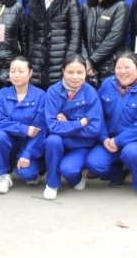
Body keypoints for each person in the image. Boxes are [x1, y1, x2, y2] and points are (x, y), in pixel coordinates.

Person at [85, 52, 137, 199]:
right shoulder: (108, 84)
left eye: (127, 67)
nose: (123, 71)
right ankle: (118, 172)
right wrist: (104, 138)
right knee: (94, 163)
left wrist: (118, 141)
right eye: (119, 67)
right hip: (111, 140)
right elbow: (97, 115)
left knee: (132, 152)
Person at [42, 54, 104, 200]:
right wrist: (79, 123)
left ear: (85, 73)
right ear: (63, 71)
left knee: (69, 170)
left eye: (80, 72)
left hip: (81, 144)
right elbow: (52, 126)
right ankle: (52, 183)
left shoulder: (90, 93)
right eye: (70, 72)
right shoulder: (53, 91)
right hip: (60, 141)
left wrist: (66, 124)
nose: (75, 77)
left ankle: (77, 177)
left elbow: (94, 128)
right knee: (52, 140)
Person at [0, 57, 47, 194]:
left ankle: (34, 168)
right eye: (13, 71)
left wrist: (28, 154)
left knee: (27, 174)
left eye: (21, 71)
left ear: (30, 73)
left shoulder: (41, 96)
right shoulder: (1, 95)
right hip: (10, 142)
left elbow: (41, 129)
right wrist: (24, 129)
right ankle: (3, 175)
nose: (16, 75)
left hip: (30, 144)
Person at [27, 0, 82, 89]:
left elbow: (75, 34)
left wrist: (69, 61)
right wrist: (31, 57)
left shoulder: (70, 0)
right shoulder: (35, 0)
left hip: (60, 58)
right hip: (37, 60)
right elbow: (31, 33)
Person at [81, 0, 129, 86]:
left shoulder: (120, 6)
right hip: (89, 67)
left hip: (111, 65)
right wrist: (86, 61)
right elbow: (81, 36)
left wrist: (92, 60)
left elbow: (114, 37)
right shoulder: (87, 7)